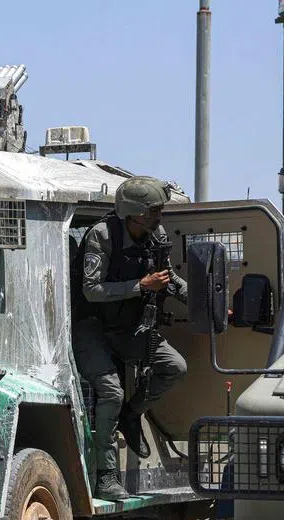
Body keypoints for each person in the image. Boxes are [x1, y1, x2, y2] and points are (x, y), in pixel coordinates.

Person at [72, 176, 188, 502]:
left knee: (175, 368)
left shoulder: (156, 236)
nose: (159, 217)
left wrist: (206, 302)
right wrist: (141, 285)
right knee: (110, 392)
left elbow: (169, 279)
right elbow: (91, 290)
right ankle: (106, 477)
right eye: (154, 211)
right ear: (134, 214)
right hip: (92, 328)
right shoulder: (102, 236)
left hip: (131, 327)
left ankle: (132, 413)